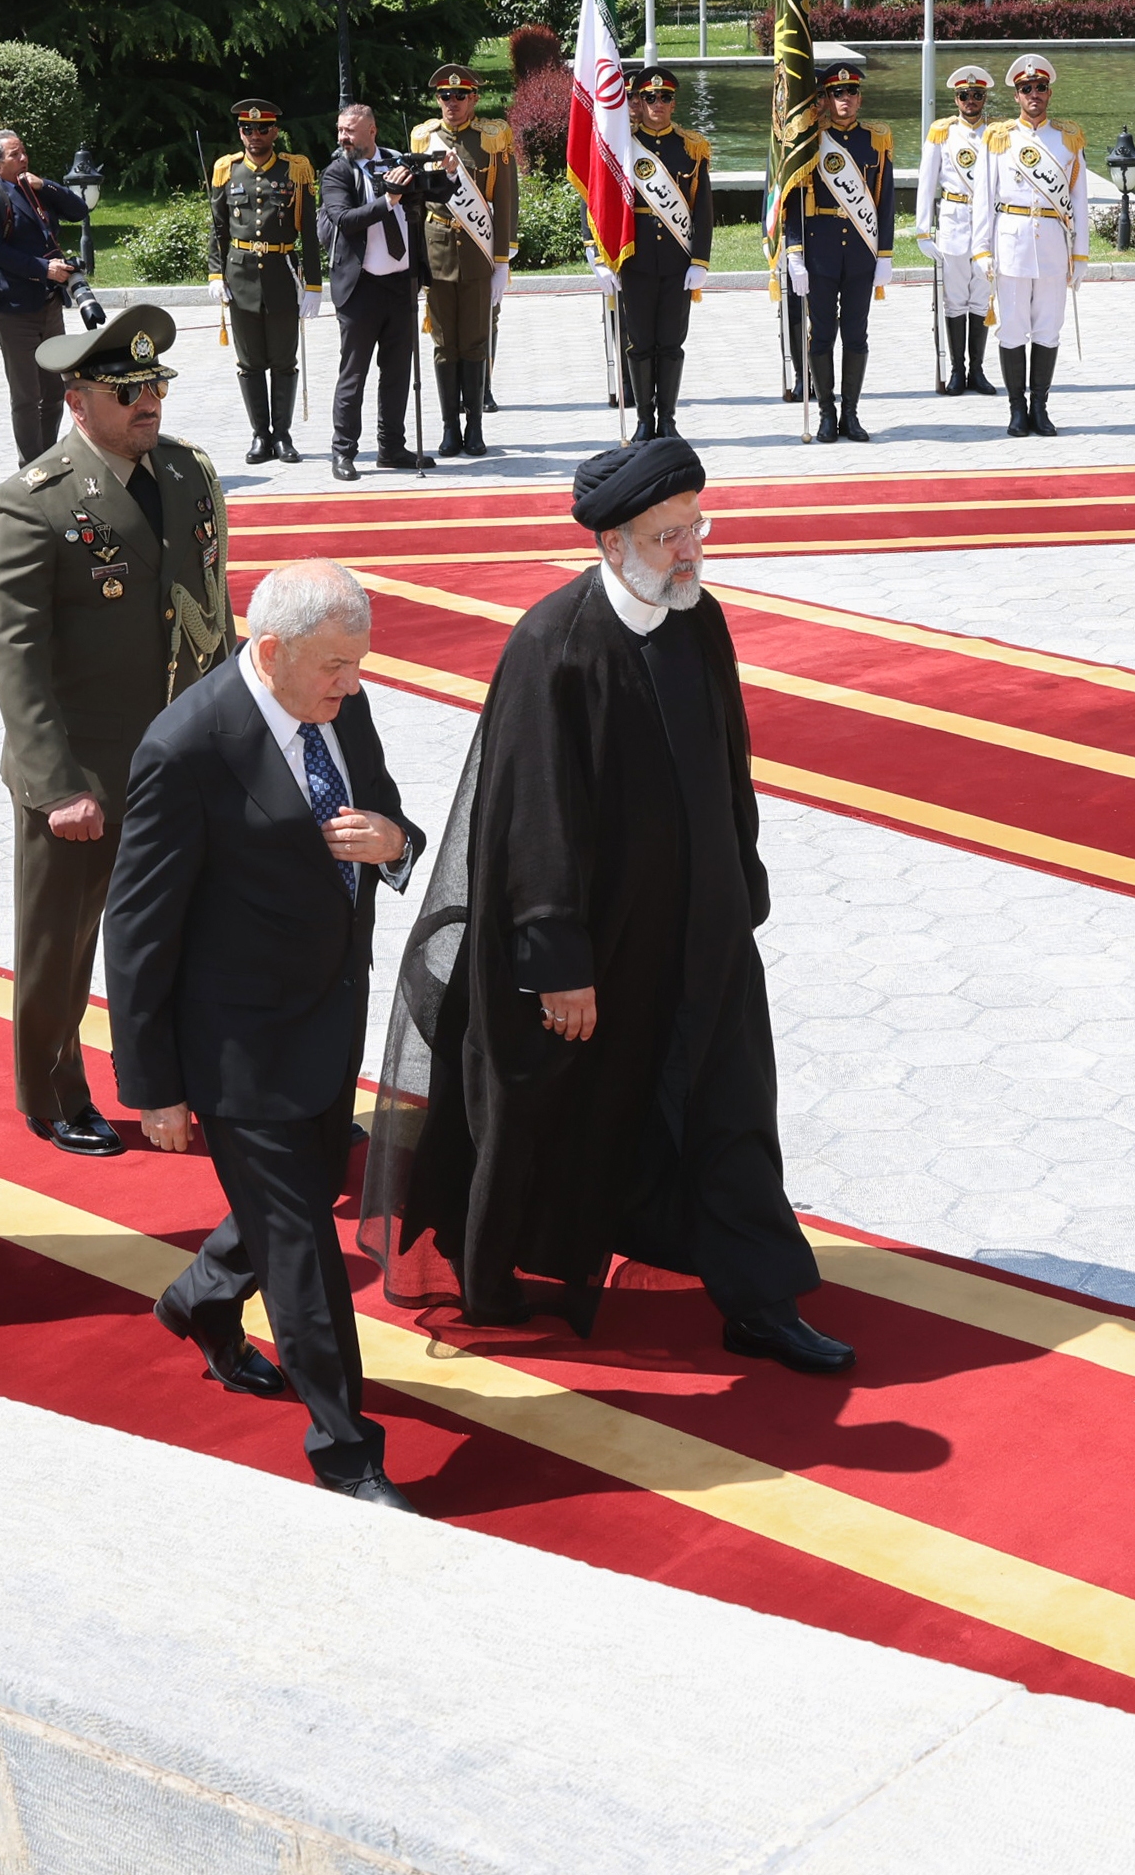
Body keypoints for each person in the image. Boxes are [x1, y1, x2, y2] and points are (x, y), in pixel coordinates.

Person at [361, 438, 849, 1376]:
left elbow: (729, 767)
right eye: (670, 535)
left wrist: (741, 888)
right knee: (569, 1118)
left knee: (735, 1105)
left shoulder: (699, 620)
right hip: (599, 958)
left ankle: (758, 1297)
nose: (690, 551)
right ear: (615, 542)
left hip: (703, 937)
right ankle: (510, 1270)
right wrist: (559, 965)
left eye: (696, 528)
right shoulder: (555, 645)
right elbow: (531, 824)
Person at [109, 558, 424, 1508]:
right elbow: (138, 927)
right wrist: (152, 1084)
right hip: (236, 1047)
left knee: (301, 1195)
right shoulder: (185, 748)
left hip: (327, 1018)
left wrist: (396, 845)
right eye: (335, 667)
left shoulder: (338, 705)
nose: (352, 684)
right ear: (271, 649)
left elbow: (384, 811)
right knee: (302, 1249)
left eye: (359, 665)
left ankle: (200, 1299)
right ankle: (347, 1452)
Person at [0, 304, 234, 1161]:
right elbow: (17, 662)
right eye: (126, 391)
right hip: (86, 772)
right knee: (63, 944)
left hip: (187, 763)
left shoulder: (188, 474)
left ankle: (210, 1079)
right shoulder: (29, 505)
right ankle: (51, 1091)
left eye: (154, 384)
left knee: (201, 930)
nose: (147, 402)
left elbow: (213, 614)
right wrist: (57, 786)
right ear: (77, 400)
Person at [409, 67, 520, 460]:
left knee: (474, 342)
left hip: (477, 250)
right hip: (437, 247)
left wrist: (502, 258)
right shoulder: (424, 137)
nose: (451, 104)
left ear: (473, 98)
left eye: (459, 97)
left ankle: (474, 426)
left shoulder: (491, 137)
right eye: (444, 97)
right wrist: (416, 258)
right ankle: (449, 428)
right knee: (444, 344)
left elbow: (505, 197)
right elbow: (416, 202)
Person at [976, 53, 1088, 438]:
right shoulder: (999, 138)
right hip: (1011, 243)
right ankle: (1016, 409)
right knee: (1012, 328)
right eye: (1026, 89)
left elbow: (1079, 200)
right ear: (1016, 96)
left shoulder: (1067, 138)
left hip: (1054, 247)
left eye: (1040, 88)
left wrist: (1081, 254)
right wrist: (982, 249)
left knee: (1047, 329)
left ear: (1049, 93)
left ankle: (1040, 406)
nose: (1033, 94)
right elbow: (983, 196)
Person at [316, 102, 430, 476]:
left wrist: (444, 173)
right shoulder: (337, 172)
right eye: (340, 130)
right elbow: (345, 220)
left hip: (400, 284)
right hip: (359, 289)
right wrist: (388, 200)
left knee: (398, 372)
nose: (342, 137)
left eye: (349, 130)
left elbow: (432, 196)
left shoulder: (397, 160)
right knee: (354, 372)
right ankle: (343, 451)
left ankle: (392, 447)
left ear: (372, 130)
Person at [783, 62, 895, 443]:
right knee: (822, 335)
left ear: (859, 97)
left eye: (850, 93)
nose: (844, 99)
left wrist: (885, 254)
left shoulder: (876, 139)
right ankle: (826, 414)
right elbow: (793, 199)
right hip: (821, 252)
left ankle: (851, 413)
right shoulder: (810, 141)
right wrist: (795, 252)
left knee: (856, 334)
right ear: (825, 99)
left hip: (862, 252)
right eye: (836, 93)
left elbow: (886, 201)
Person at [208, 99, 319, 465]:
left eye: (262, 129)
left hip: (281, 273)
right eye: (247, 129)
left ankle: (283, 436)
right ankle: (260, 435)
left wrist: (315, 285)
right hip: (240, 276)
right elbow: (218, 228)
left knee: (283, 360)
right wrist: (215, 273)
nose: (254, 136)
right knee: (250, 361)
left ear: (275, 131)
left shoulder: (295, 170)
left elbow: (310, 233)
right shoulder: (228, 170)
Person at [0, 130, 88, 466]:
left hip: (49, 305)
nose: (23, 160)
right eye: (14, 155)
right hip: (13, 308)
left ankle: (47, 456)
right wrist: (41, 268)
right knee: (27, 395)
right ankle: (31, 467)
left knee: (54, 391)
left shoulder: (33, 188)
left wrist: (45, 185)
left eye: (24, 152)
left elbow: (78, 210)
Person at [610, 72, 712, 441]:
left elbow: (702, 209)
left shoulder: (691, 147)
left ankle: (667, 419)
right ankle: (643, 420)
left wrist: (700, 260)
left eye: (664, 99)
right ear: (639, 101)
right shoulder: (623, 146)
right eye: (650, 98)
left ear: (673, 103)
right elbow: (602, 200)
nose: (657, 106)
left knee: (670, 342)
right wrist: (600, 251)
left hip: (676, 260)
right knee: (639, 343)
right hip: (634, 259)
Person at [920, 64, 995, 396]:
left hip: (986, 223)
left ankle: (977, 370)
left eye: (977, 95)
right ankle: (956, 370)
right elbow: (926, 182)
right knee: (954, 299)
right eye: (965, 95)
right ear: (956, 98)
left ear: (984, 98)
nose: (971, 101)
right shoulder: (942, 132)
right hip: (953, 217)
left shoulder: (997, 134)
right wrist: (923, 230)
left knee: (981, 295)